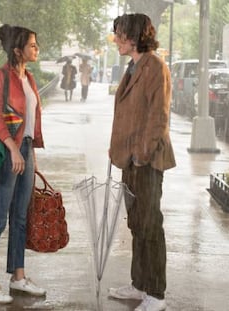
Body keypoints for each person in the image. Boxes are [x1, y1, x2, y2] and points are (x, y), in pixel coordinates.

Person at [108, 13, 176, 311]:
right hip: (130, 160)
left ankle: (156, 294)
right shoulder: (133, 67)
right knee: (136, 224)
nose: (116, 40)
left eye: (119, 34)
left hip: (146, 161)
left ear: (134, 36)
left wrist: (143, 154)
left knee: (150, 225)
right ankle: (139, 285)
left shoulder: (154, 66)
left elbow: (158, 115)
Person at [0, 24, 46, 304]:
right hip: (8, 152)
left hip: (25, 150)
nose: (36, 49)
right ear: (17, 50)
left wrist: (31, 155)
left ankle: (18, 277)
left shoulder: (28, 77)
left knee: (19, 218)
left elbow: (30, 120)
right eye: (32, 45)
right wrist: (14, 148)